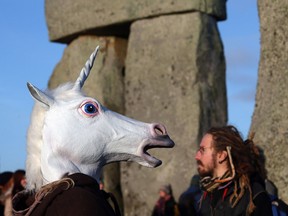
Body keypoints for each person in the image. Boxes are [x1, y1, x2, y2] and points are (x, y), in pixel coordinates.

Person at [195, 125, 273, 216]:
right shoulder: (207, 197)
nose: (197, 156)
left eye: (202, 150)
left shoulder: (253, 195)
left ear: (221, 155)